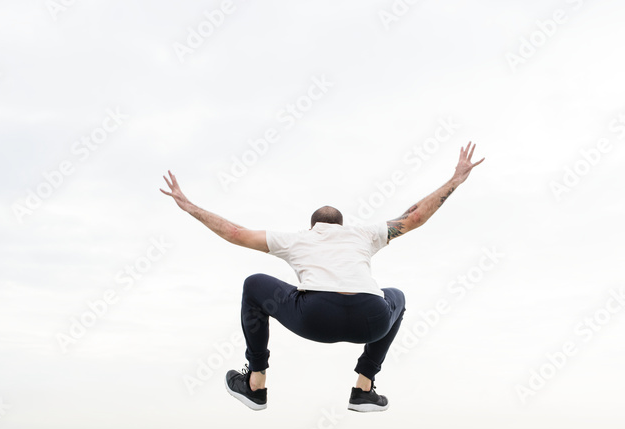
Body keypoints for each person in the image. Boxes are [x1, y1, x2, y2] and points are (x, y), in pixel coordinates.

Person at [161, 141, 484, 412]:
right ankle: (364, 387)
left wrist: (190, 207)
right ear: (341, 226)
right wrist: (455, 180)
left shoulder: (298, 239)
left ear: (313, 226)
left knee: (254, 285)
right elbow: (413, 217)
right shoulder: (364, 234)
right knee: (396, 296)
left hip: (315, 318)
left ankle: (256, 383)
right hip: (371, 319)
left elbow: (234, 232)